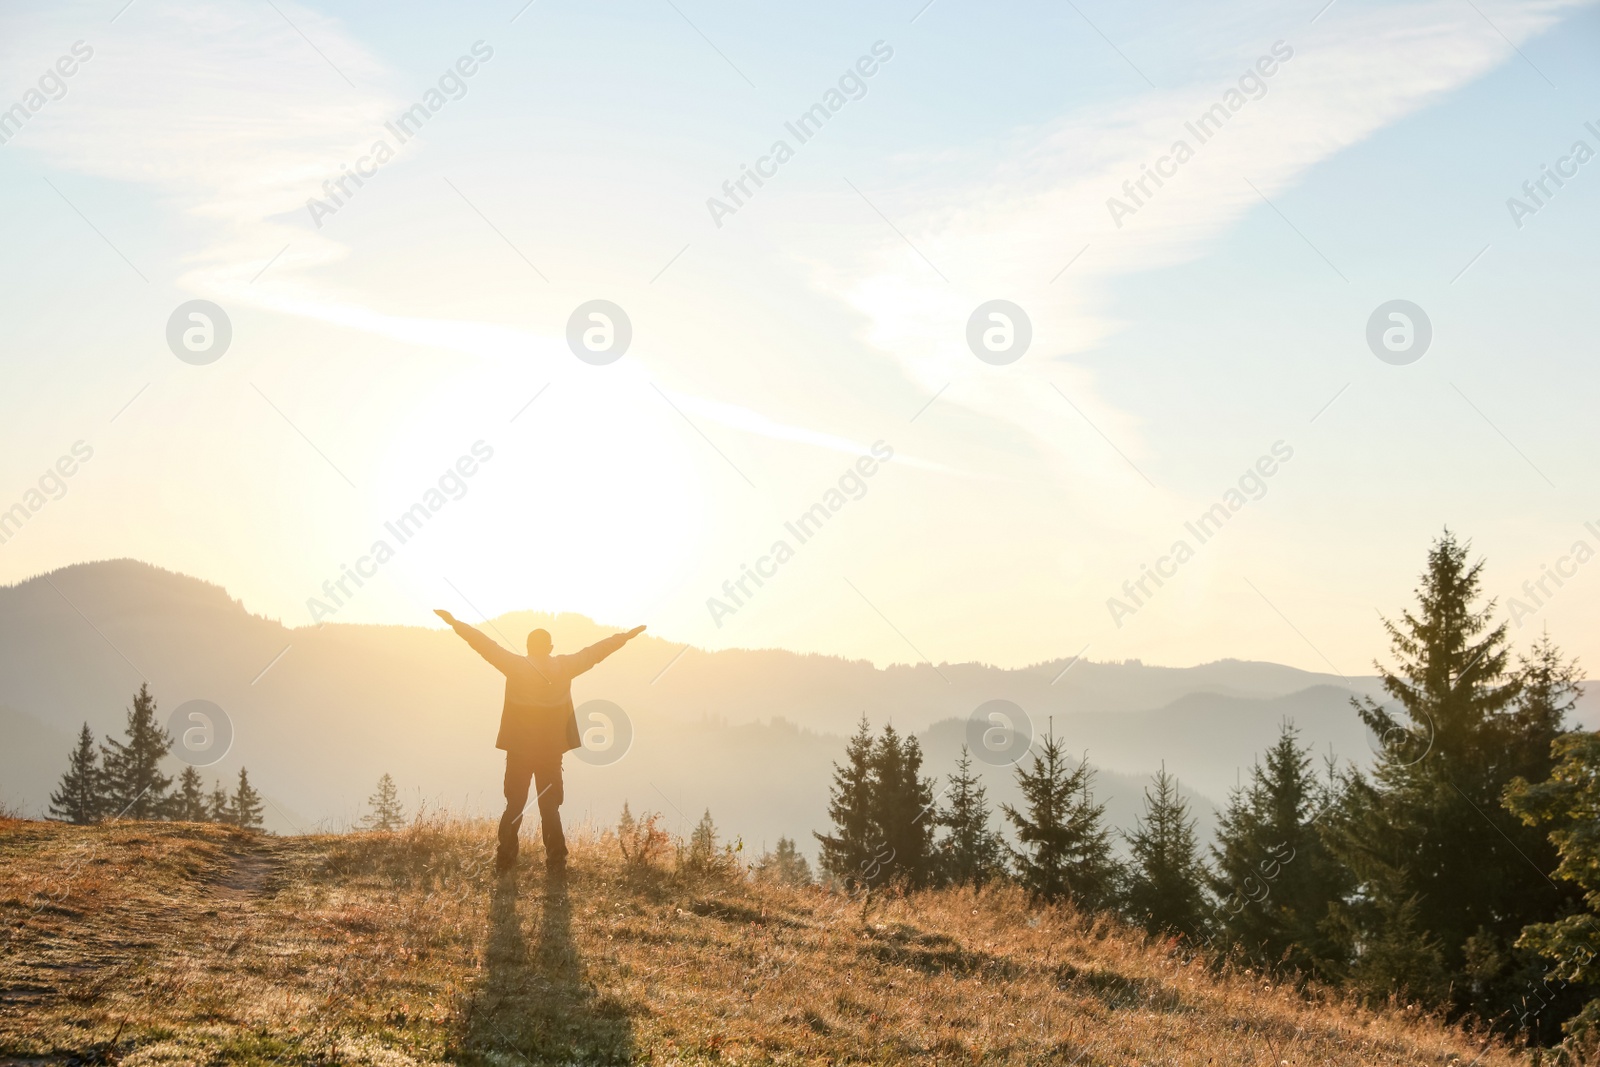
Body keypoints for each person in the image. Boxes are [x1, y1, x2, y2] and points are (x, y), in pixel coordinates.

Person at [435, 609, 645, 877]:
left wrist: (455, 622)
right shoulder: (565, 666)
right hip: (550, 753)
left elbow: (484, 644)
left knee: (514, 806)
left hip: (519, 750)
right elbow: (596, 652)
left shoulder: (514, 665)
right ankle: (556, 864)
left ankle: (505, 862)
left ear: (527, 647)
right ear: (551, 647)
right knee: (549, 809)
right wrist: (626, 636)